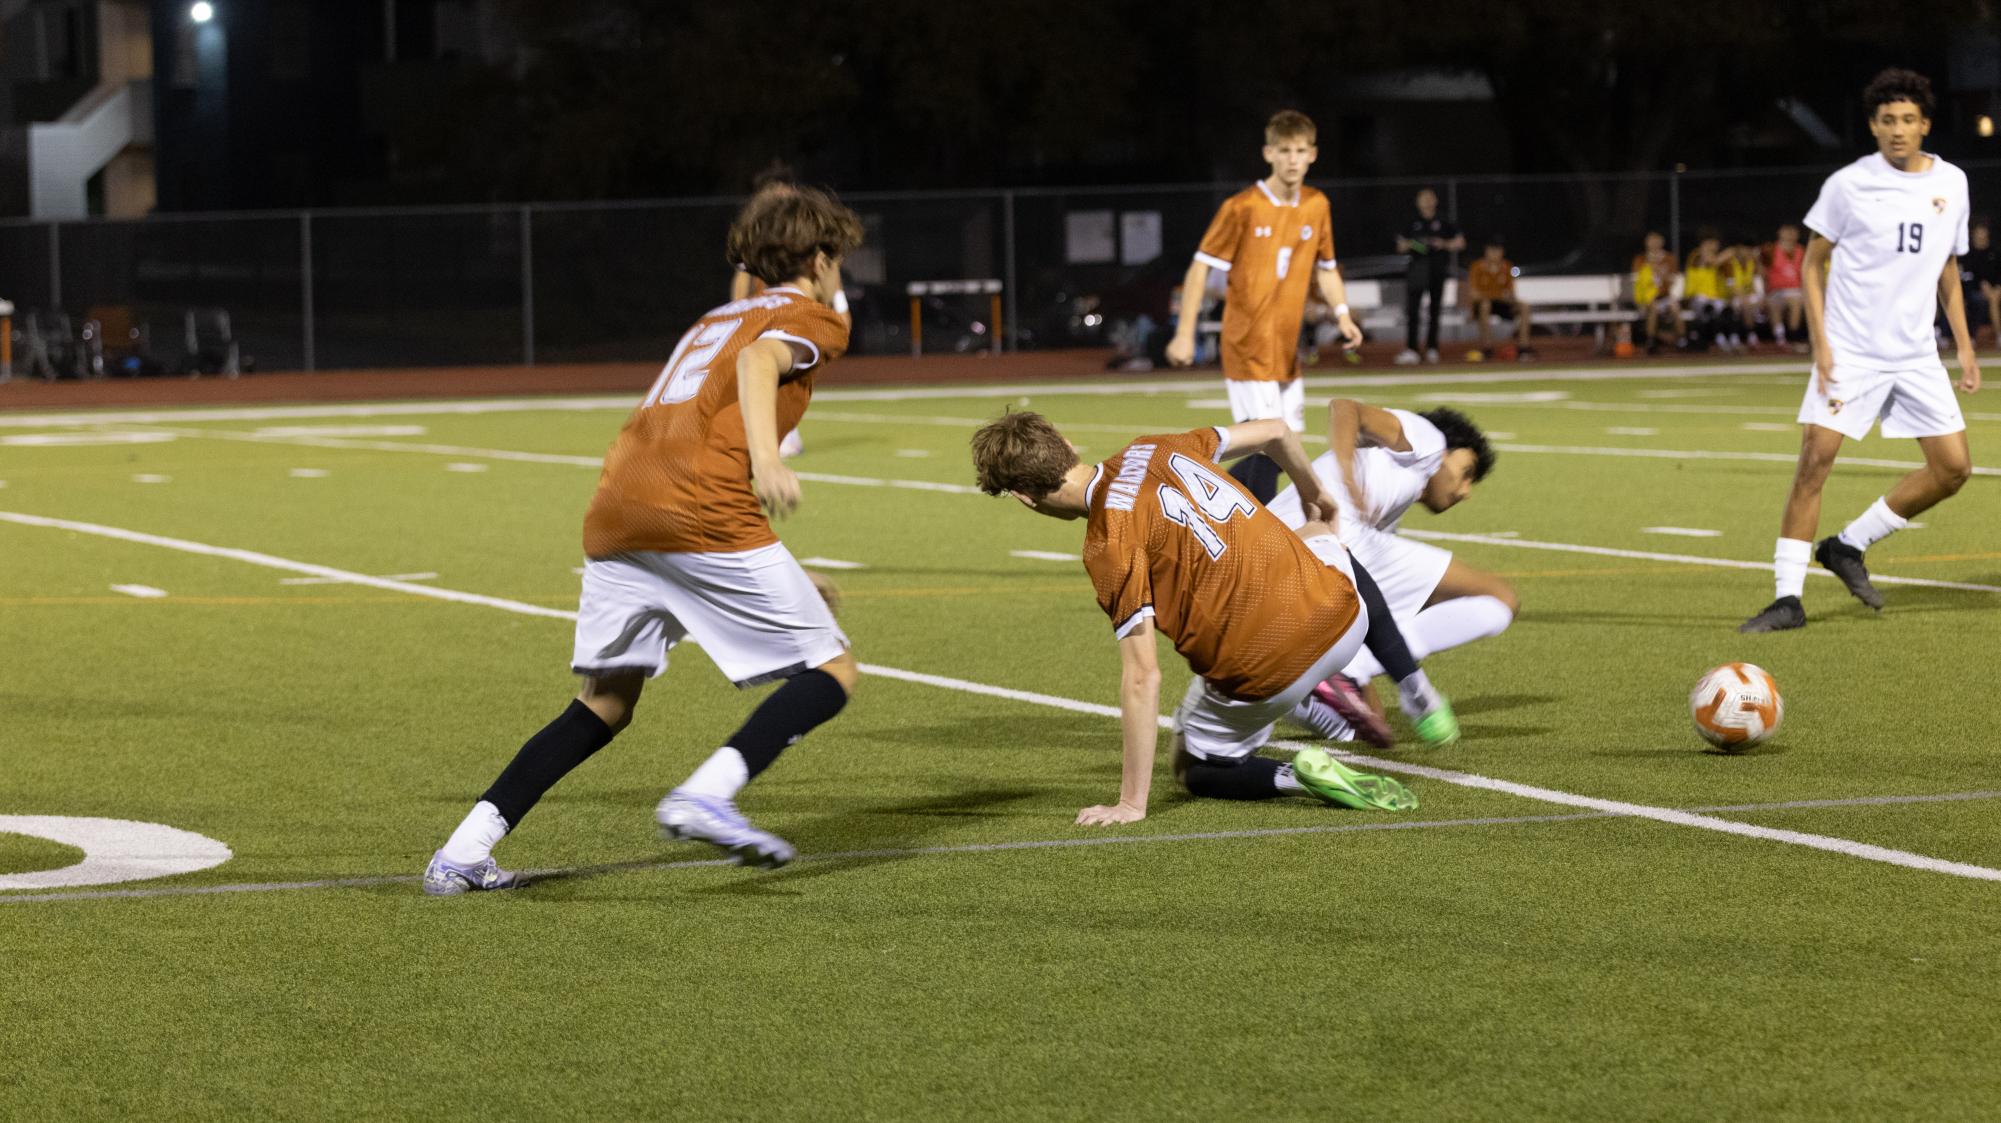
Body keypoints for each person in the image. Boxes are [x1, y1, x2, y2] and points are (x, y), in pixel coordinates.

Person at [424, 186, 867, 892]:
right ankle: (706, 794)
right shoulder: (812, 315)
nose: (842, 271)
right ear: (817, 258)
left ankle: (462, 851)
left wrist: (773, 564)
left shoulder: (714, 316)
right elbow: (759, 367)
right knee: (831, 668)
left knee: (605, 701)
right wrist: (769, 458)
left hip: (618, 507)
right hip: (699, 511)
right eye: (838, 258)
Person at [972, 410, 1447, 823]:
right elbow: (1275, 432)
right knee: (1320, 531)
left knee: (1195, 764)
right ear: (1068, 445)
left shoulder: (1106, 544)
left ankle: (1296, 775)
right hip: (1347, 621)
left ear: (1024, 497)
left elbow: (1143, 677)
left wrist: (1130, 803)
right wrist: (1311, 488)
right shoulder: (1153, 447)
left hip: (1265, 674)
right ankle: (1410, 682)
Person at [1741, 69, 1982, 633]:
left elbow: (1948, 268)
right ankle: (1787, 598)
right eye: (1886, 120)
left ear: (1924, 125)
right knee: (1813, 464)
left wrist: (1965, 347)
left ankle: (1848, 545)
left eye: (1908, 120)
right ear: (1873, 127)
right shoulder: (1848, 185)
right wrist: (1822, 344)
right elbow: (1811, 263)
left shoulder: (1954, 183)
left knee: (1952, 470)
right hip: (1851, 351)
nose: (1897, 130)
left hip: (1917, 353)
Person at [1266, 401, 1512, 744]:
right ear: (1446, 452)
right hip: (1323, 537)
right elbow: (1345, 408)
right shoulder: (1428, 439)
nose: (1465, 491)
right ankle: (1358, 672)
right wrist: (1347, 476)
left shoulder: (1389, 502)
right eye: (1466, 472)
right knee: (1499, 598)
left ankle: (1297, 692)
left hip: (1268, 556)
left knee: (1369, 719)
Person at [1165, 110, 1362, 504]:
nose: (1292, 159)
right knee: (1273, 443)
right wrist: (1184, 335)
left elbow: (1327, 269)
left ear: (1313, 154)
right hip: (1247, 343)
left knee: (1280, 446)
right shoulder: (1243, 207)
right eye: (1285, 150)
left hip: (1286, 349)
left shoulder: (1316, 205)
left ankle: (1200, 498)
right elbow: (1200, 267)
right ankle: (1261, 538)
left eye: (1300, 150)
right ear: (1268, 153)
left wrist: (1343, 314)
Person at [729, 174, 842, 459]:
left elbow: (828, 275)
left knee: (788, 370)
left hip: (792, 312)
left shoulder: (804, 241)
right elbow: (742, 279)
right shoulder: (758, 244)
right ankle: (776, 436)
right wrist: (737, 312)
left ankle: (781, 432)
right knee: (768, 367)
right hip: (765, 314)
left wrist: (836, 305)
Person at [1394, 188, 1465, 365]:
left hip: (1437, 269)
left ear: (1435, 201)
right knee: (1413, 311)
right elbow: (1400, 245)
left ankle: (1432, 348)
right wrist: (1414, 244)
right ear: (1418, 202)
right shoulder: (1411, 222)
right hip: (1417, 270)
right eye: (1423, 199)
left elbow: (1460, 242)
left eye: (1429, 198)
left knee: (1435, 310)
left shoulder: (1444, 220)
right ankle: (1412, 349)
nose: (1426, 202)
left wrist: (1443, 243)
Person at [1465, 238, 1534, 359]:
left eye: (1498, 250)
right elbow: (1474, 294)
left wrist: (1505, 297)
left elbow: (1510, 293)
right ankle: (1487, 348)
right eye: (1492, 250)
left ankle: (1523, 348)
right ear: (1486, 251)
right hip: (1482, 305)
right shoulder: (1477, 267)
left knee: (1525, 306)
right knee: (1485, 304)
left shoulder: (1506, 266)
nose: (1495, 253)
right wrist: (1497, 294)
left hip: (1502, 304)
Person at [1632, 232, 1684, 352]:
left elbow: (1671, 281)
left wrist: (1660, 271)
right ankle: (1651, 340)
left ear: (1662, 243)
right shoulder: (1641, 259)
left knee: (1675, 307)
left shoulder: (1669, 259)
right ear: (1647, 244)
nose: (1654, 245)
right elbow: (1638, 281)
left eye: (1657, 242)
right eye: (1651, 242)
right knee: (1654, 308)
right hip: (1647, 297)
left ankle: (1682, 339)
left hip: (1664, 295)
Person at [1954, 219, 2001, 347]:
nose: (1981, 236)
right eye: (1978, 233)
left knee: (1994, 297)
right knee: (1981, 300)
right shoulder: (1968, 254)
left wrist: (1998, 286)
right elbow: (1968, 276)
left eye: (1983, 233)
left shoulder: (1995, 253)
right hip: (1975, 291)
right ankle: (1997, 336)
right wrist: (1981, 286)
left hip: (1996, 289)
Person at [1683, 231, 1732, 351]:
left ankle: (1731, 339)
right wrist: (1729, 253)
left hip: (1714, 297)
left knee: (1727, 311)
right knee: (1709, 308)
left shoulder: (1719, 261)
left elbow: (1728, 278)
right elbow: (1712, 260)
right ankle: (1716, 340)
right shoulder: (1696, 255)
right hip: (1695, 297)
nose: (1715, 246)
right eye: (1712, 243)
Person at [1763, 224, 1808, 351]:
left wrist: (1806, 292)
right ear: (1780, 233)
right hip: (1776, 290)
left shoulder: (1801, 250)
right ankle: (1780, 339)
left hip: (1796, 290)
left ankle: (1794, 338)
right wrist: (1763, 293)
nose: (1790, 234)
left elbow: (1805, 274)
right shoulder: (1770, 250)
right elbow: (1762, 272)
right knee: (1775, 304)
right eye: (1787, 231)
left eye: (1793, 231)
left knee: (1796, 301)